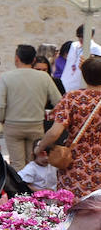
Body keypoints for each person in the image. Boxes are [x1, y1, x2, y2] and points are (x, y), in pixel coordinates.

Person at [36, 56, 101, 199]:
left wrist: (40, 147)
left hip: (75, 163)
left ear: (83, 74)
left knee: (73, 209)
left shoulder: (73, 98)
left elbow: (54, 133)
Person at [0, 44, 59, 169]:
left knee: (16, 163)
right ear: (34, 60)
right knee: (33, 162)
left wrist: (2, 119)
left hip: (13, 125)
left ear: (16, 58)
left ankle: (18, 188)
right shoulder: (44, 77)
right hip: (36, 125)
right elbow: (59, 102)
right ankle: (32, 188)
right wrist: (48, 114)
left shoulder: (6, 77)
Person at [61, 24, 101, 92]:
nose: (80, 39)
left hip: (81, 83)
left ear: (90, 36)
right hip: (66, 81)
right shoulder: (74, 45)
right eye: (79, 36)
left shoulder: (97, 49)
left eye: (82, 37)